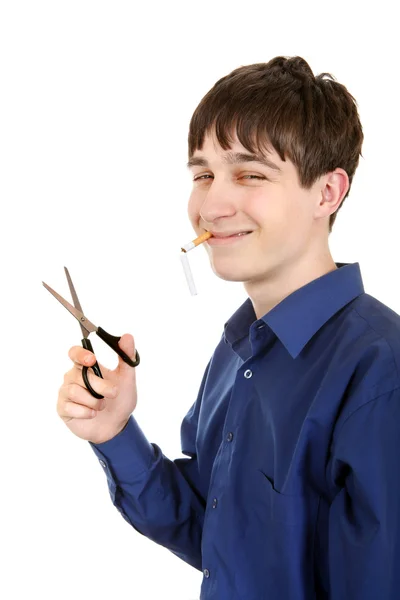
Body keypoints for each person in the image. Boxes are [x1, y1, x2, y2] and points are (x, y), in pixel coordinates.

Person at [57, 55, 400, 599]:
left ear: (327, 193)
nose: (211, 205)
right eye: (203, 175)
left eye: (250, 175)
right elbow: (214, 534)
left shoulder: (382, 370)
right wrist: (114, 430)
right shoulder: (237, 351)